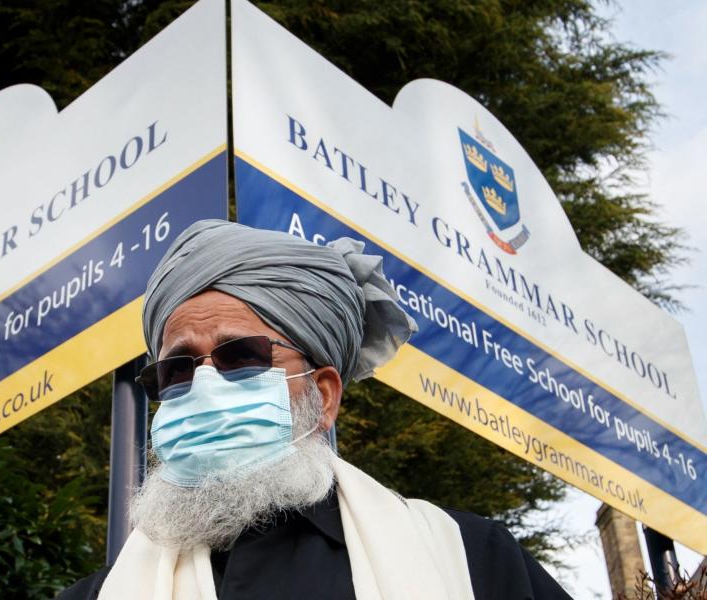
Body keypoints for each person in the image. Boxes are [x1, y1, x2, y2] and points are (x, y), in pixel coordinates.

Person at [56, 219, 572, 600]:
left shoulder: (469, 557)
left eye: (242, 355)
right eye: (178, 370)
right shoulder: (92, 596)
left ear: (323, 394)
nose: (206, 385)